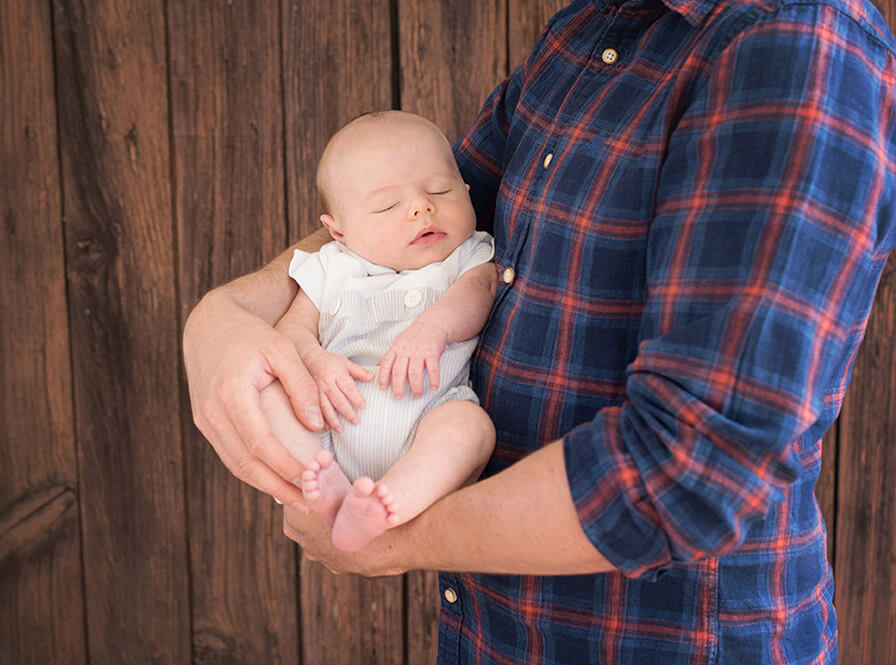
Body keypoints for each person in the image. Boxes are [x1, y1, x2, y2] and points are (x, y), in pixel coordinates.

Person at [183, 0, 896, 662]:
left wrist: (397, 533)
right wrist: (225, 316)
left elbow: (687, 470)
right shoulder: (590, 30)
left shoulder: (796, 45)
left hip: (662, 640)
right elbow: (430, 218)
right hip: (494, 630)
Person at [263, 110, 497, 552]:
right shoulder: (333, 266)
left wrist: (434, 326)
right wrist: (316, 359)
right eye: (388, 205)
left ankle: (389, 505)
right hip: (328, 425)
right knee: (265, 387)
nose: (421, 206)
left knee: (471, 428)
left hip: (428, 417)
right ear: (338, 231)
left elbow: (483, 290)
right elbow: (290, 333)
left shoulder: (466, 257)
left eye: (440, 190)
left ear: (467, 193)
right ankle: (320, 480)